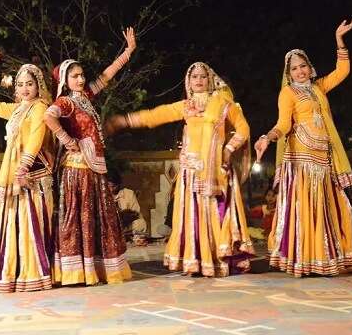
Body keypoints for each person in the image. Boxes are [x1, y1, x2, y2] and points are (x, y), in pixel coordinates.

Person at [105, 61, 254, 277]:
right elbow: (155, 115)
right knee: (193, 217)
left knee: (216, 213)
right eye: (194, 77)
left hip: (216, 172)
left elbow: (243, 128)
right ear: (188, 82)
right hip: (191, 171)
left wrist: (229, 149)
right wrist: (125, 121)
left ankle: (219, 259)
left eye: (203, 76)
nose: (199, 81)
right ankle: (197, 261)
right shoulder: (186, 106)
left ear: (210, 79)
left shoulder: (223, 103)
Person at [254, 19, 352, 277]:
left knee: (330, 208)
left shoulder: (319, 88)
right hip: (301, 160)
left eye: (303, 66)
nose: (300, 71)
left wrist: (339, 39)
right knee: (304, 212)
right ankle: (303, 260)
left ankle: (327, 258)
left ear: (309, 67)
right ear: (289, 73)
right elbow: (283, 124)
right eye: (294, 69)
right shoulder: (288, 94)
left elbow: (342, 71)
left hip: (324, 158)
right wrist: (267, 137)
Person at [43, 27, 136, 286]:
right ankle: (76, 271)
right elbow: (48, 117)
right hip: (77, 168)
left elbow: (106, 76)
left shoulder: (85, 97)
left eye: (82, 75)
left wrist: (127, 52)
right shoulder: (66, 102)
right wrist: (67, 140)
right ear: (65, 79)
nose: (81, 79)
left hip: (93, 167)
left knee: (98, 216)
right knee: (80, 216)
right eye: (75, 76)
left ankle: (96, 268)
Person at [0, 47, 56, 292]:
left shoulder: (41, 107)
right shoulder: (18, 109)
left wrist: (22, 170)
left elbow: (35, 138)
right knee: (10, 222)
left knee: (30, 224)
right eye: (20, 84)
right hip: (13, 174)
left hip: (32, 174)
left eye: (29, 84)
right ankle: (10, 272)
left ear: (38, 86)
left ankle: (32, 274)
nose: (24, 89)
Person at [107, 170, 148, 241]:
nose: (111, 189)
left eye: (113, 186)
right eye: (109, 186)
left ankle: (131, 237)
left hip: (126, 226)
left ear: (119, 184)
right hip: (109, 226)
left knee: (140, 223)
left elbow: (136, 213)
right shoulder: (102, 195)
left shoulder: (128, 193)